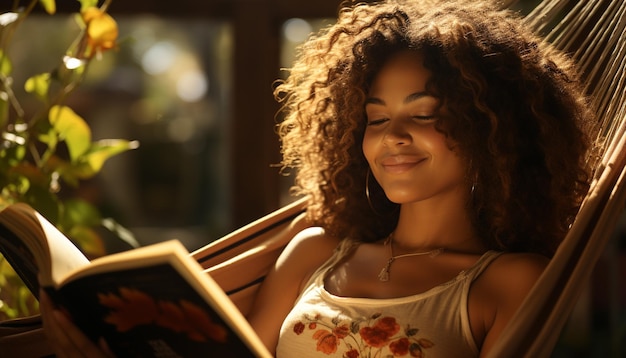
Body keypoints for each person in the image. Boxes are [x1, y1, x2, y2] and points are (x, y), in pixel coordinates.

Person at [40, 0, 597, 356]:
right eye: (376, 118)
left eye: (423, 115)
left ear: (493, 134)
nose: (390, 137)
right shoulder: (314, 253)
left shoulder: (507, 282)